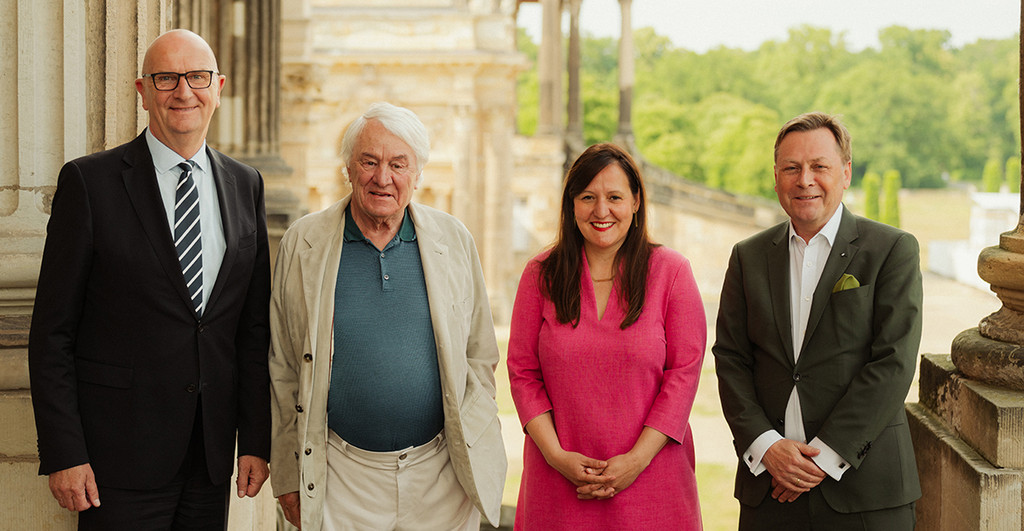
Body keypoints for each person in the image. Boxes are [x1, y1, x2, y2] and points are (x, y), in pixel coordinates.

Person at [28, 29, 271, 529]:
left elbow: (250, 329)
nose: (184, 91)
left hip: (210, 460)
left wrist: (256, 440)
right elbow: (52, 333)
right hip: (116, 460)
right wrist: (64, 452)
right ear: (142, 91)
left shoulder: (245, 184)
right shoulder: (89, 183)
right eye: (166, 78)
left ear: (218, 87)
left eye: (197, 77)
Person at [268, 102, 506, 531]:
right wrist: (287, 473)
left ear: (418, 172)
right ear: (348, 168)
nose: (383, 178)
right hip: (341, 479)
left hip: (441, 479)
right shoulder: (303, 242)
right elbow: (283, 366)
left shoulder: (454, 240)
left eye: (398, 164)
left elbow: (479, 355)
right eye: (369, 162)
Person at [713, 112, 922, 529]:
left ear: (845, 173)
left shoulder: (892, 249)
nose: (804, 180)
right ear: (776, 177)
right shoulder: (747, 256)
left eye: (819, 166)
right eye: (791, 168)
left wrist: (823, 458)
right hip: (769, 490)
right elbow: (731, 359)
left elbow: (893, 363)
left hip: (865, 494)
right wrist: (766, 446)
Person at [507, 143, 706, 530]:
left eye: (614, 197)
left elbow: (684, 375)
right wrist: (556, 455)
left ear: (635, 202)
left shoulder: (671, 272)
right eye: (588, 197)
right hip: (558, 482)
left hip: (652, 481)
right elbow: (522, 373)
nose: (601, 211)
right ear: (571, 205)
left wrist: (635, 461)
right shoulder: (540, 275)